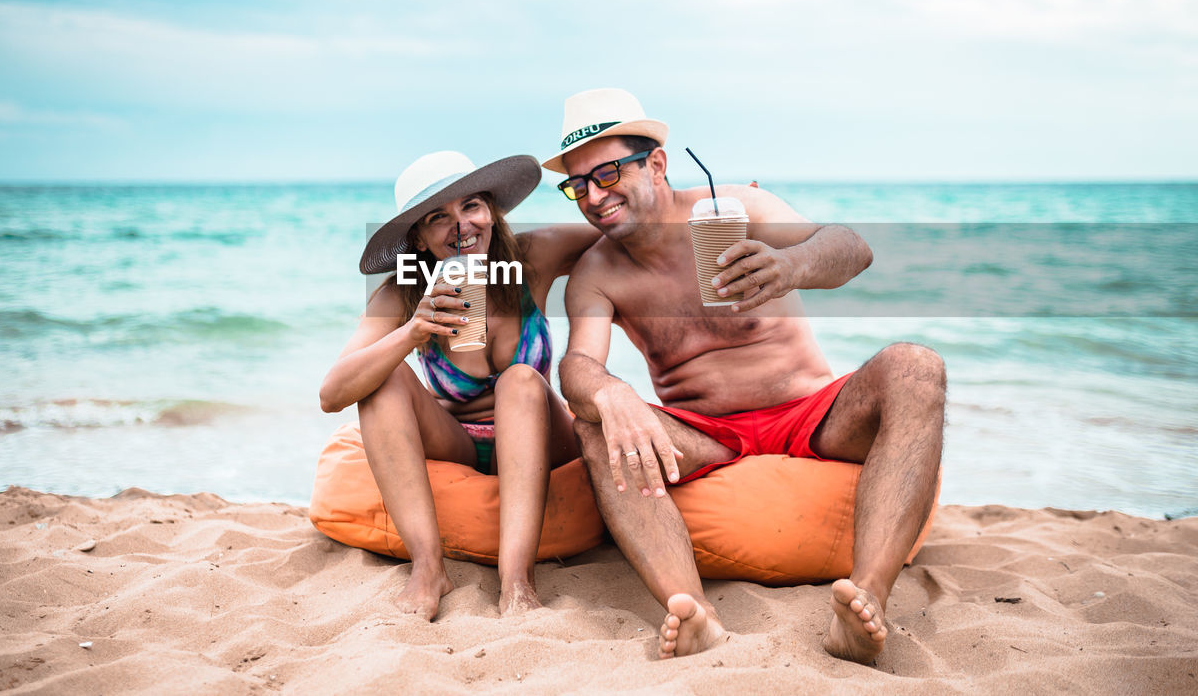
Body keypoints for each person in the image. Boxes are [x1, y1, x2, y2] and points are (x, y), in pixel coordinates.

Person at [547, 88, 946, 663]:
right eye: (578, 184)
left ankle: (867, 602)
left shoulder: (733, 208)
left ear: (655, 163)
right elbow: (577, 364)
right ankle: (692, 612)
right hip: (706, 433)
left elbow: (851, 247)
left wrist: (793, 265)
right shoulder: (596, 274)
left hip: (812, 412)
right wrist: (610, 392)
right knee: (598, 424)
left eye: (607, 172)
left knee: (917, 366)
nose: (593, 194)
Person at [319, 151, 599, 619]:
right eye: (437, 218)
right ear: (421, 239)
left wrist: (745, 217)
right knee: (381, 381)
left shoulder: (533, 257)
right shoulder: (405, 292)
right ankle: (428, 570)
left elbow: (631, 236)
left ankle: (517, 583)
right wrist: (412, 330)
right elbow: (333, 393)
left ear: (490, 210)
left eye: (470, 206)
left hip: (544, 435)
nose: (461, 225)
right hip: (462, 442)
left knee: (519, 381)